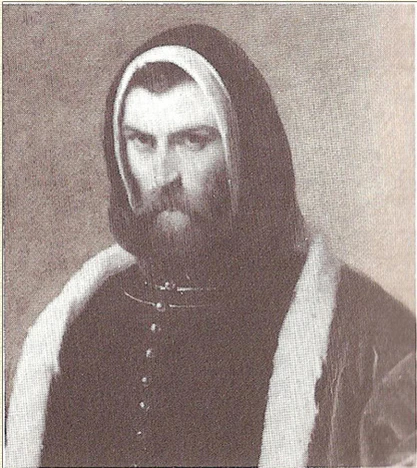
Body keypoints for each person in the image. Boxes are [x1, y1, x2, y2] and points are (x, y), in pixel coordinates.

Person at [6, 24, 415, 468]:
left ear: (245, 152)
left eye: (193, 141)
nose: (163, 175)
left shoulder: (365, 333)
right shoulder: (76, 321)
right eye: (142, 142)